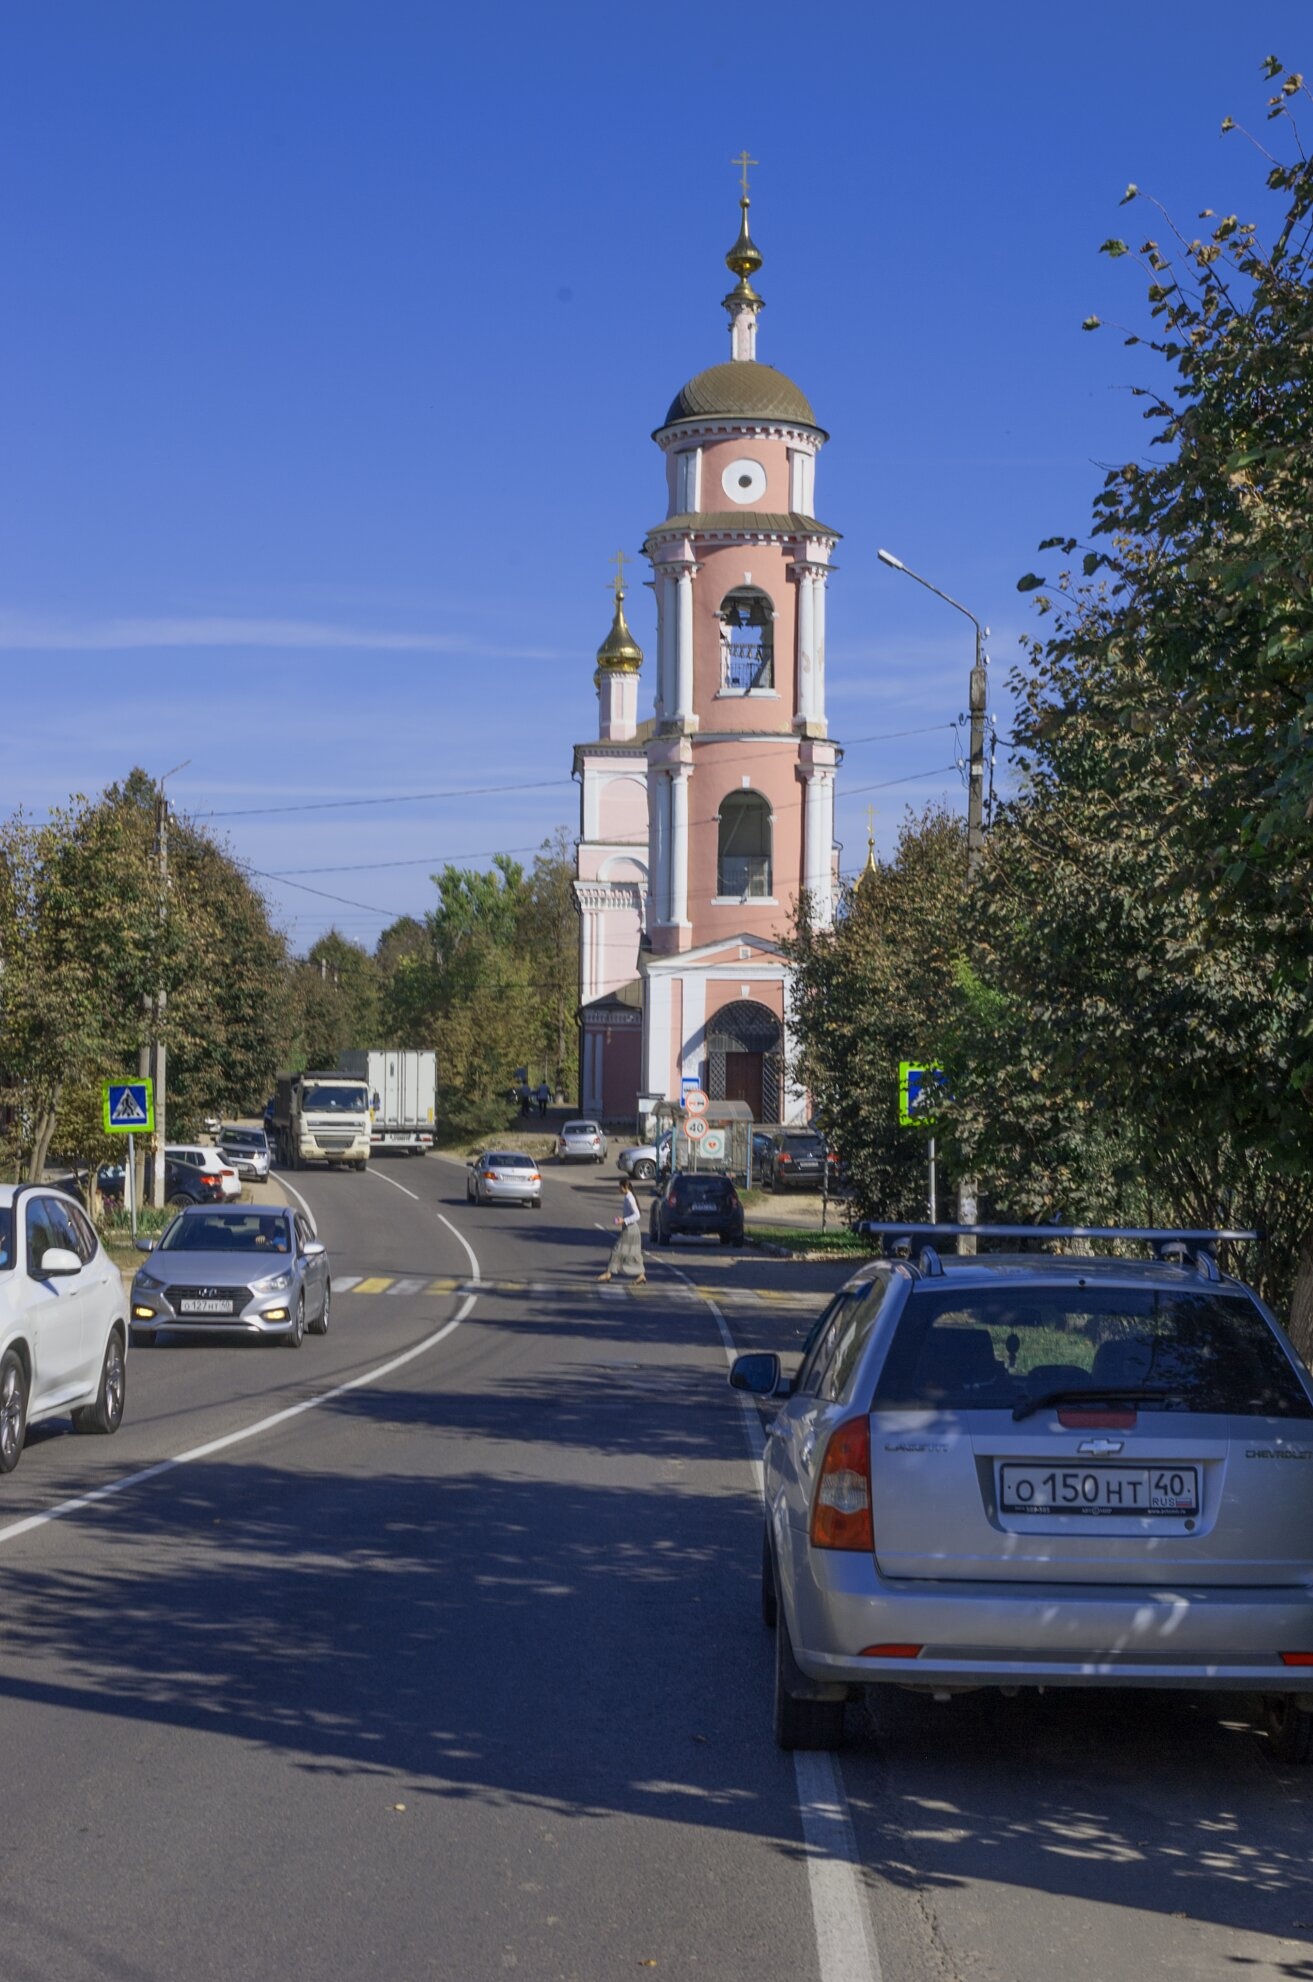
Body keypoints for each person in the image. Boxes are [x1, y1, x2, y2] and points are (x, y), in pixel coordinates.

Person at [599, 1178, 645, 1284]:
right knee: (635, 1253)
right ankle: (641, 1275)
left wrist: (624, 1220)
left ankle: (608, 1273)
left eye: (620, 1187)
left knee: (617, 1250)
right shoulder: (627, 1197)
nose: (619, 1189)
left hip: (631, 1229)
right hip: (630, 1228)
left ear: (626, 1187)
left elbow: (637, 1215)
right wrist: (623, 1220)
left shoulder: (630, 1198)